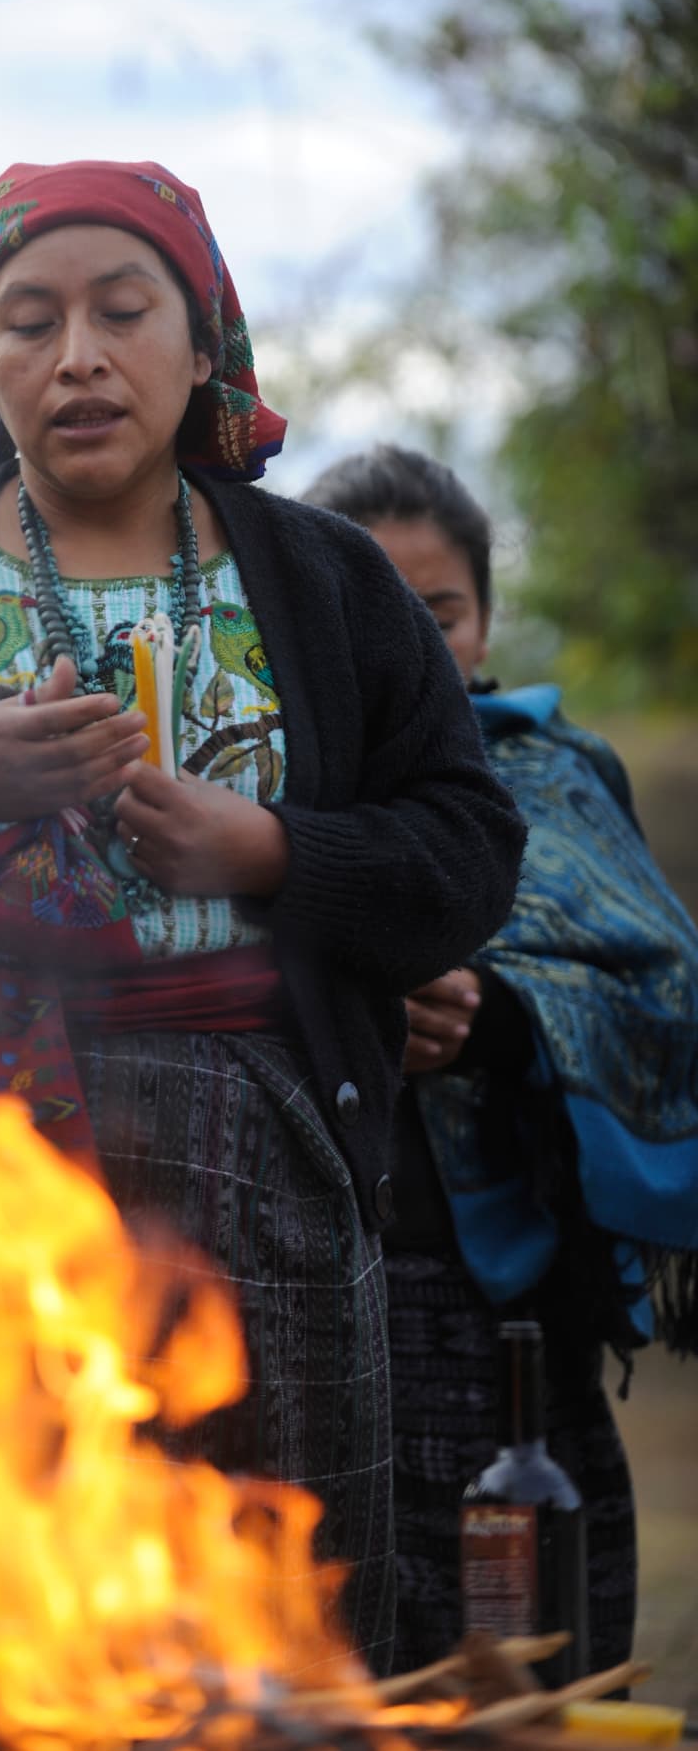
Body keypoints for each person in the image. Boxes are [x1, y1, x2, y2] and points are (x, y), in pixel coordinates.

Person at [0, 161, 525, 1671]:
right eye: (28, 321)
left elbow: (469, 850)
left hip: (260, 1168)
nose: (77, 356)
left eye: (124, 311)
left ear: (204, 348)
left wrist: (274, 850)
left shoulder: (326, 583)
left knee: (278, 1634)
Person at [302, 443, 698, 1674]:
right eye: (367, 614)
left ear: (483, 620)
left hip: (508, 1309)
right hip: (307, 1297)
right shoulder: (250, 788)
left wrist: (505, 1017)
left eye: (441, 614)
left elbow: (665, 988)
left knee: (541, 1660)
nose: (411, 646)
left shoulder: (552, 779)